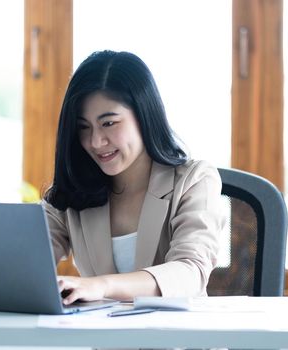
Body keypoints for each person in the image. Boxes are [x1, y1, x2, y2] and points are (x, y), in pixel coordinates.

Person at [43, 50, 225, 305]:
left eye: (109, 123)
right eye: (83, 127)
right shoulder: (72, 190)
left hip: (177, 341)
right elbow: (26, 262)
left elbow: (190, 272)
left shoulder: (194, 180)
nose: (96, 141)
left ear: (144, 116)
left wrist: (102, 285)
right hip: (106, 341)